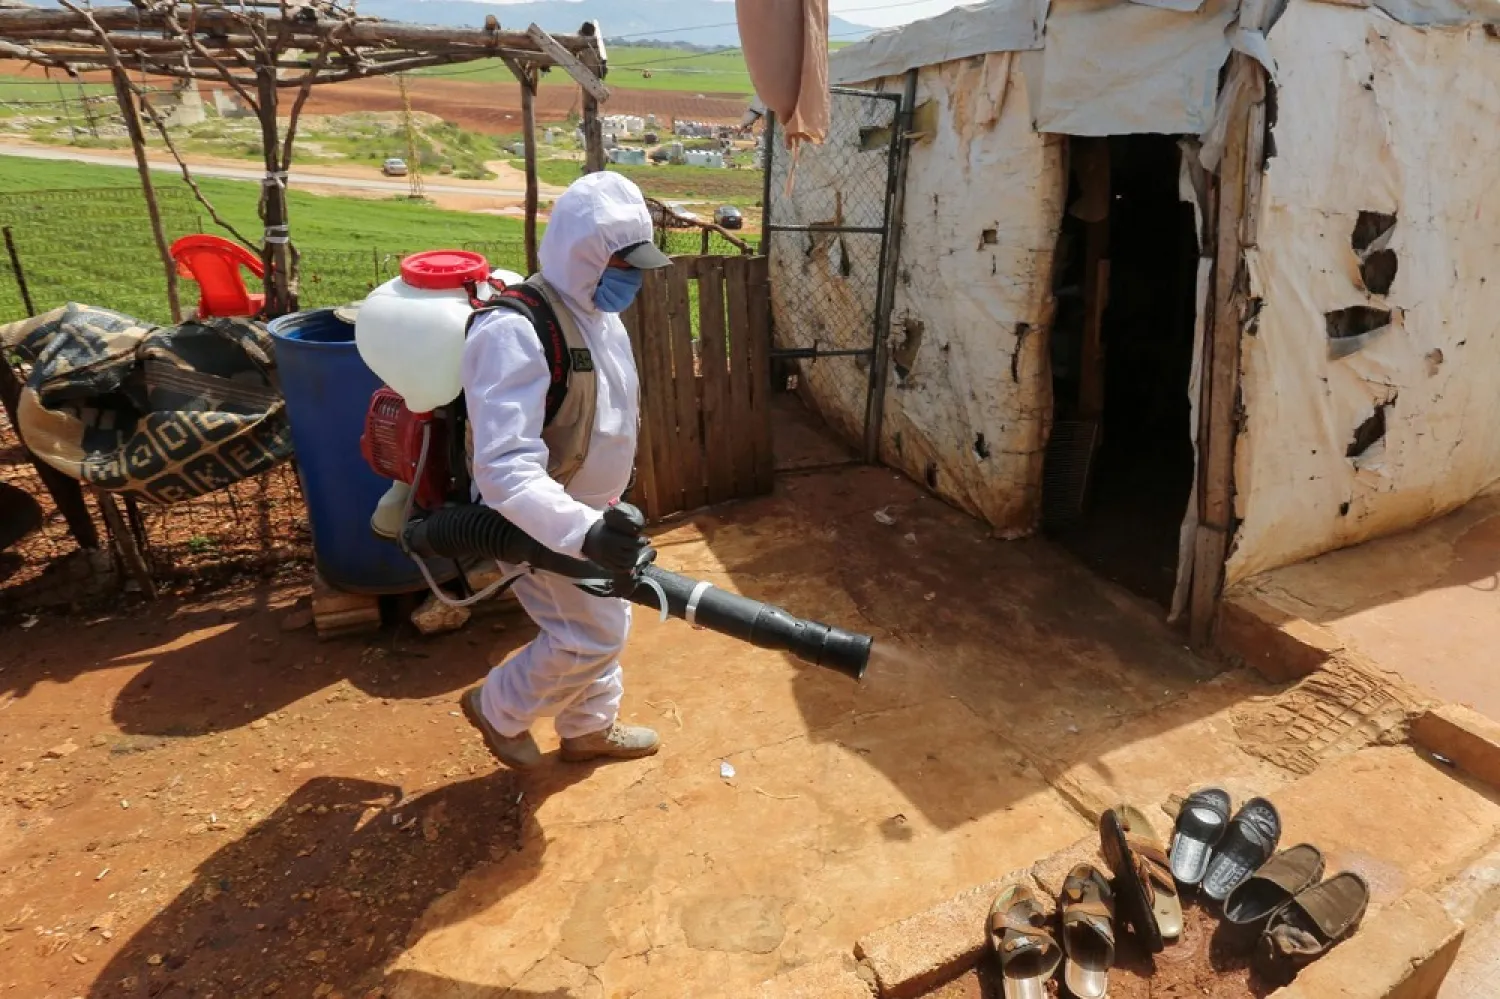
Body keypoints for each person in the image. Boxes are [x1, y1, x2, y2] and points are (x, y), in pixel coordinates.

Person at [457, 171, 672, 769]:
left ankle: (588, 728)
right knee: (591, 634)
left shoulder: (598, 316)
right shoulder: (514, 331)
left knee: (609, 612)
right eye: (622, 266)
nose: (630, 281)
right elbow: (503, 469)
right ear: (583, 254)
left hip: (590, 513)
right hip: (538, 522)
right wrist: (584, 531)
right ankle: (496, 707)